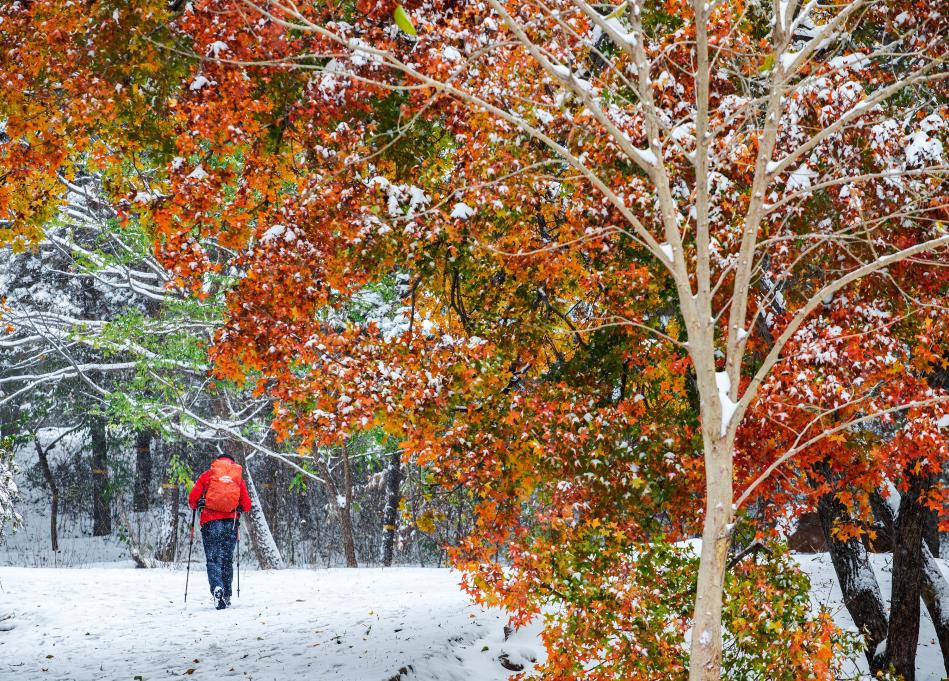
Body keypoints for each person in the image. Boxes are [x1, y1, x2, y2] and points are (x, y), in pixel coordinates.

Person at [188, 453, 251, 609]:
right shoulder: (237, 478)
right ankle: (227, 594)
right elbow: (247, 504)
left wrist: (200, 503)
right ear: (232, 463)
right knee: (226, 559)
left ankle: (217, 587)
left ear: (217, 462)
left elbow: (192, 499)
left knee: (213, 559)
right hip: (231, 523)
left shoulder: (208, 475)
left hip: (210, 521)